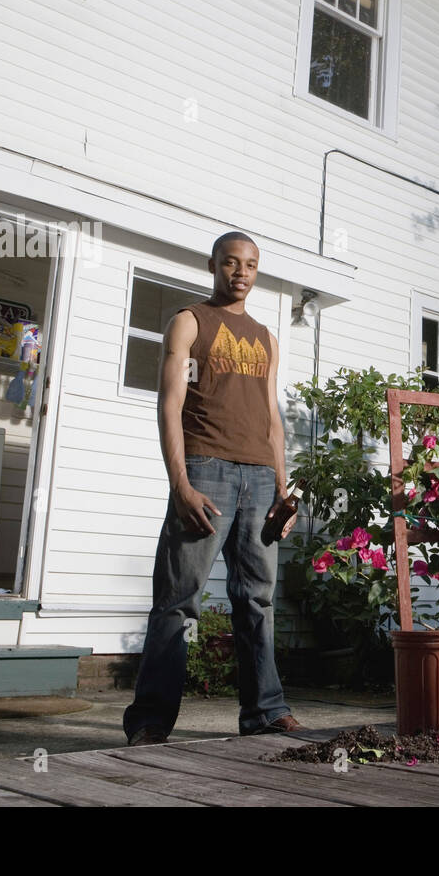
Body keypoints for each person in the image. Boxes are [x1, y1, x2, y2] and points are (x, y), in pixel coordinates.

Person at [124, 231, 303, 745]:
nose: (241, 272)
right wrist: (179, 482)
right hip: (206, 471)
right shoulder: (189, 321)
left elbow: (272, 415)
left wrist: (281, 486)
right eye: (231, 262)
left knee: (258, 600)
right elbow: (169, 403)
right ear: (214, 265)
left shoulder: (267, 337)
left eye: (250, 264)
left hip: (259, 479)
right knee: (178, 601)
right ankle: (151, 721)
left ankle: (265, 712)